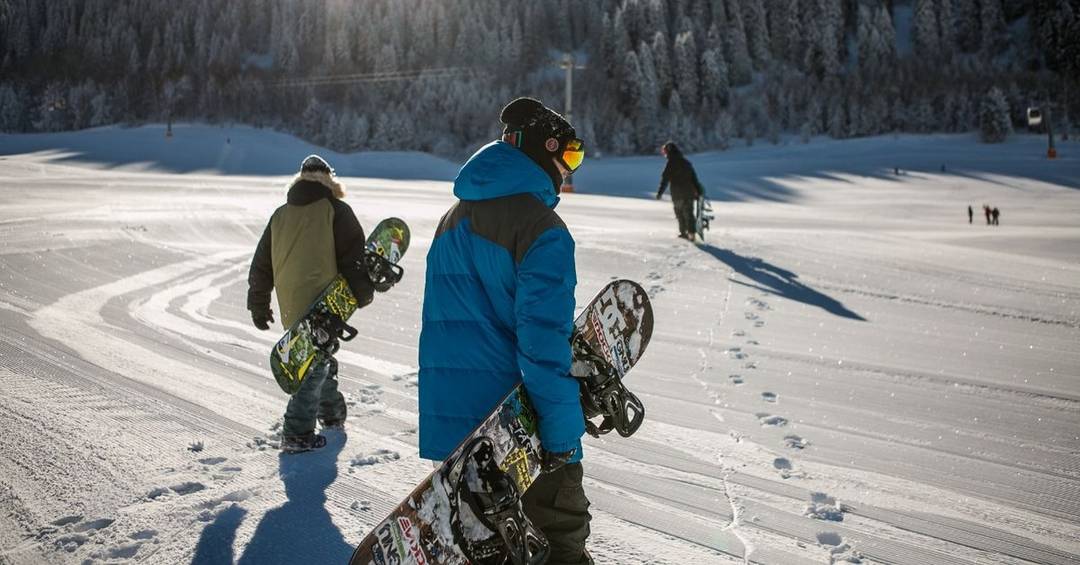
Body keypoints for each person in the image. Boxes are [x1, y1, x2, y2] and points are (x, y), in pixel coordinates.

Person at [418, 97, 592, 564]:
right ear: (544, 150)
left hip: (456, 434)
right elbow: (542, 345)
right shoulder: (543, 229)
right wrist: (560, 440)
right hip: (518, 433)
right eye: (569, 156)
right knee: (561, 544)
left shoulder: (450, 219)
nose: (569, 170)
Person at [247, 155, 375, 453]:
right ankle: (296, 432)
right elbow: (353, 259)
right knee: (313, 366)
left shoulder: (280, 214)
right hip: (324, 302)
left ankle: (332, 415)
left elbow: (261, 265)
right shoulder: (336, 210)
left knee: (318, 357)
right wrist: (363, 292)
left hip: (290, 303)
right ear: (330, 180)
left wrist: (259, 303)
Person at [656, 141, 705, 241]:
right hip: (689, 193)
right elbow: (694, 179)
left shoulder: (670, 164)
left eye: (664, 151)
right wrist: (699, 191)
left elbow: (664, 179)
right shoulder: (686, 163)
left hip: (677, 194)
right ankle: (691, 234)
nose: (664, 154)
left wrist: (660, 193)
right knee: (689, 213)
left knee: (680, 213)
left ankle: (683, 233)